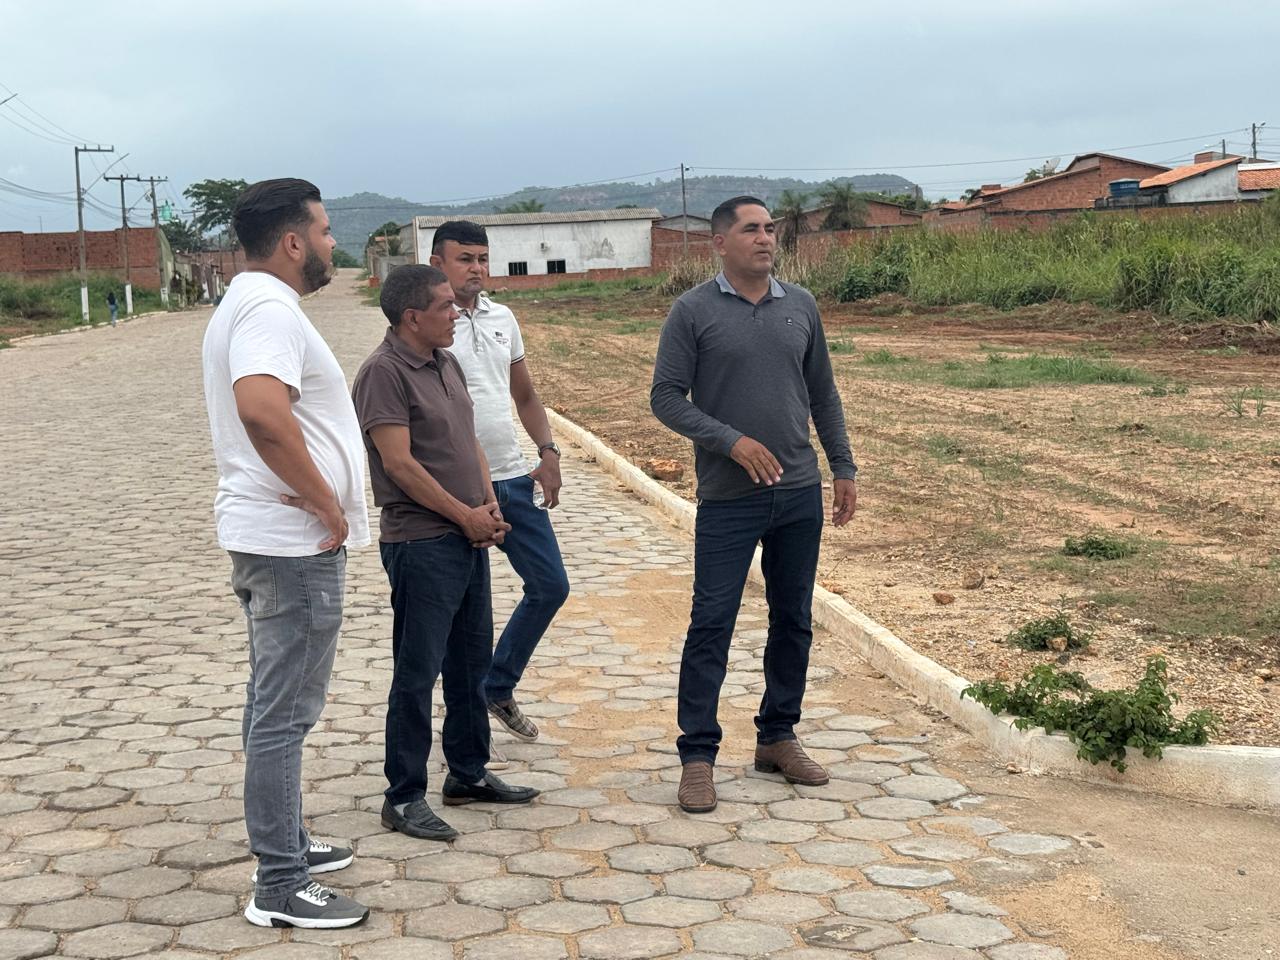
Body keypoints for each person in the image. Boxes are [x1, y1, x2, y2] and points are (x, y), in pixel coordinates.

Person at [650, 196, 858, 814]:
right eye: (751, 230)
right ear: (720, 243)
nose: (766, 238)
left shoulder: (801, 305)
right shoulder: (692, 311)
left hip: (798, 492)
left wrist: (842, 467)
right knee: (711, 623)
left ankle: (777, 737)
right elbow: (666, 397)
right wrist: (731, 442)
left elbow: (823, 393)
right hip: (729, 498)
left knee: (793, 619)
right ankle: (697, 756)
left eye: (770, 228)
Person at [201, 178, 370, 928]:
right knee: (285, 713)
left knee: (271, 703)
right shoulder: (269, 308)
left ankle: (289, 838)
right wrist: (325, 499)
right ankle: (279, 883)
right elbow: (263, 412)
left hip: (273, 543)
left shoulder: (249, 302)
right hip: (294, 548)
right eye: (326, 231)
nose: (333, 243)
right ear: (295, 241)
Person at [352, 263, 539, 843]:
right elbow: (400, 465)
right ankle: (403, 796)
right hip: (422, 542)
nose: (456, 312)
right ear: (412, 317)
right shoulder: (383, 373)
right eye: (444, 305)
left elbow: (469, 438)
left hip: (467, 534)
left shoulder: (445, 361)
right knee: (418, 671)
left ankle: (467, 773)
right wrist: (464, 515)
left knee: (469, 663)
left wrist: (488, 504)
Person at [428, 220, 570, 750]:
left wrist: (548, 452)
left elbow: (524, 396)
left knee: (551, 586)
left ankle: (498, 685)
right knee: (462, 615)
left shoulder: (502, 318)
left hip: (513, 477)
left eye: (482, 258)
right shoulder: (428, 325)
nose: (477, 268)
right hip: (461, 490)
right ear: (437, 263)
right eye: (465, 258)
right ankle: (461, 736)